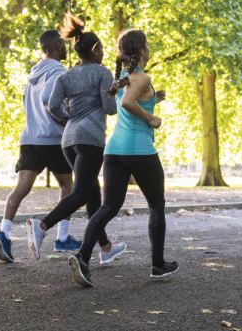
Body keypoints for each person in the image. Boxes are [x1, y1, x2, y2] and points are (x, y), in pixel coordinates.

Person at [68, 28, 177, 288]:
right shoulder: (140, 77)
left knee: (109, 207)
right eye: (147, 46)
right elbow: (128, 103)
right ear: (140, 51)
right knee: (156, 206)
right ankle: (158, 266)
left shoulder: (124, 78)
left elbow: (128, 102)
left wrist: (153, 101)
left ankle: (83, 257)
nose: (149, 51)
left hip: (114, 151)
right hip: (139, 151)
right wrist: (151, 117)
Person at [25, 14, 127, 263]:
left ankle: (105, 248)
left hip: (68, 141)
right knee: (82, 193)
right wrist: (113, 92)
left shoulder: (66, 76)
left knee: (93, 195)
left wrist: (67, 116)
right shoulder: (102, 73)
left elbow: (52, 104)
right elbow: (110, 109)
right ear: (95, 50)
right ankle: (42, 226)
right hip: (90, 140)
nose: (104, 51)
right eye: (101, 47)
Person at [0, 30, 78, 263]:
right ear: (58, 45)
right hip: (53, 138)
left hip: (30, 138)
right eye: (64, 44)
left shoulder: (33, 74)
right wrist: (64, 118)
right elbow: (51, 100)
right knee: (68, 186)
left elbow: (26, 103)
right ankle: (62, 237)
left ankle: (4, 232)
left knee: (21, 188)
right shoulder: (59, 71)